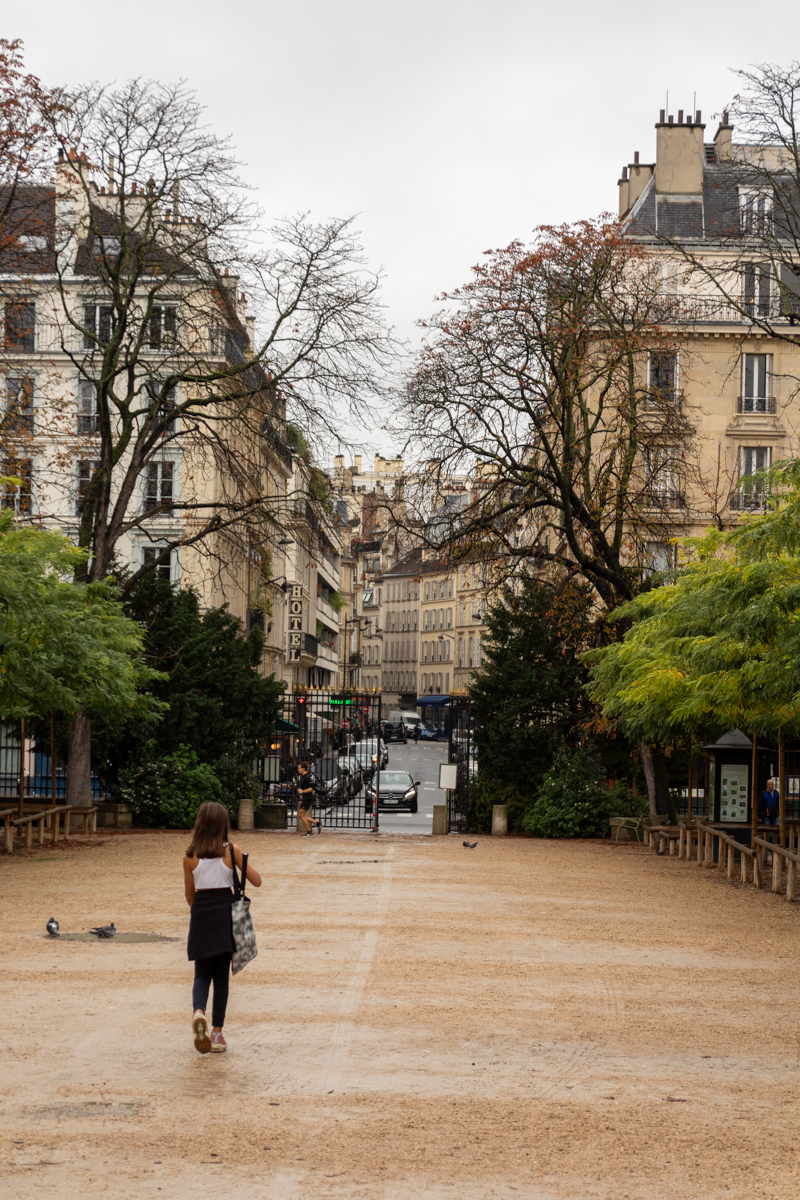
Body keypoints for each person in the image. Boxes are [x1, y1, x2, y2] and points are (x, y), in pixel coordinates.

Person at [184, 801, 262, 1055]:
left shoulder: (189, 856)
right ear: (223, 825)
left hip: (201, 915)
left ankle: (198, 1012)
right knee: (221, 978)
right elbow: (257, 881)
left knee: (201, 974)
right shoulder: (231, 850)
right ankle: (217, 1033)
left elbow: (190, 897)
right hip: (225, 915)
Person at [297, 761, 322, 835]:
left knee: (301, 815)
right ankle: (317, 824)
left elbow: (313, 788)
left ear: (303, 768)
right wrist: (302, 793)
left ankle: (309, 832)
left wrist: (303, 791)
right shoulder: (303, 777)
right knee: (301, 815)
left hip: (308, 798)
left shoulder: (307, 777)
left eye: (299, 768)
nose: (298, 770)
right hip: (306, 797)